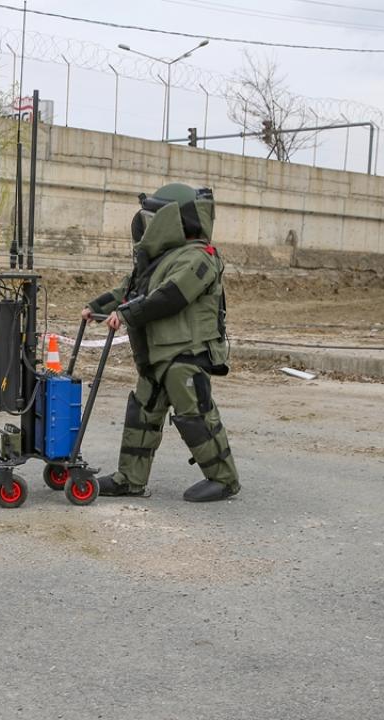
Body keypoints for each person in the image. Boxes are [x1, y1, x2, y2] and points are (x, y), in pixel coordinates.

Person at [82, 183, 240, 502]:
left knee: (195, 415)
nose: (147, 222)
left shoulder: (201, 257)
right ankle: (130, 478)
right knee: (142, 414)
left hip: (187, 353)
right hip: (158, 354)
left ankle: (224, 479)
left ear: (174, 219)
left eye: (154, 215)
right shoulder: (158, 259)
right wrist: (96, 307)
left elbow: (170, 296)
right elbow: (128, 291)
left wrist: (126, 315)